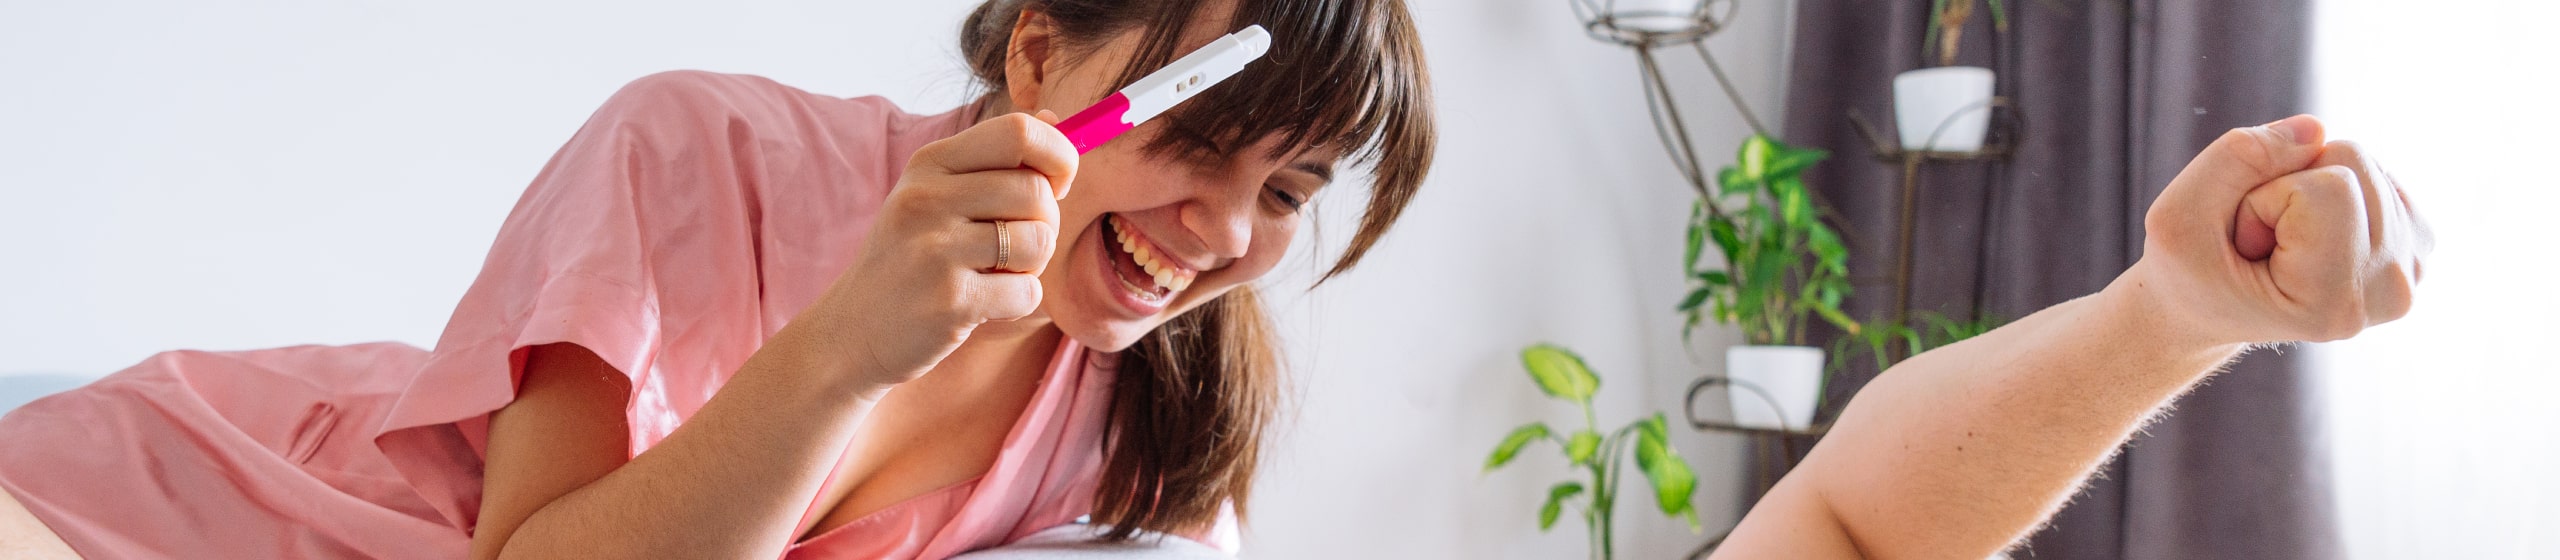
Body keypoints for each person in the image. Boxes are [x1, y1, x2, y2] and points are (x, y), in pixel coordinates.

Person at [0, 0, 2429, 559]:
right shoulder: (707, 155)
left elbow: (1836, 539)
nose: (1231, 239)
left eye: (1292, 198)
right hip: (148, 504)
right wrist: (857, 342)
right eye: (1203, 149)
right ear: (1038, 52)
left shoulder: (1146, 403)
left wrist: (2167, 318)